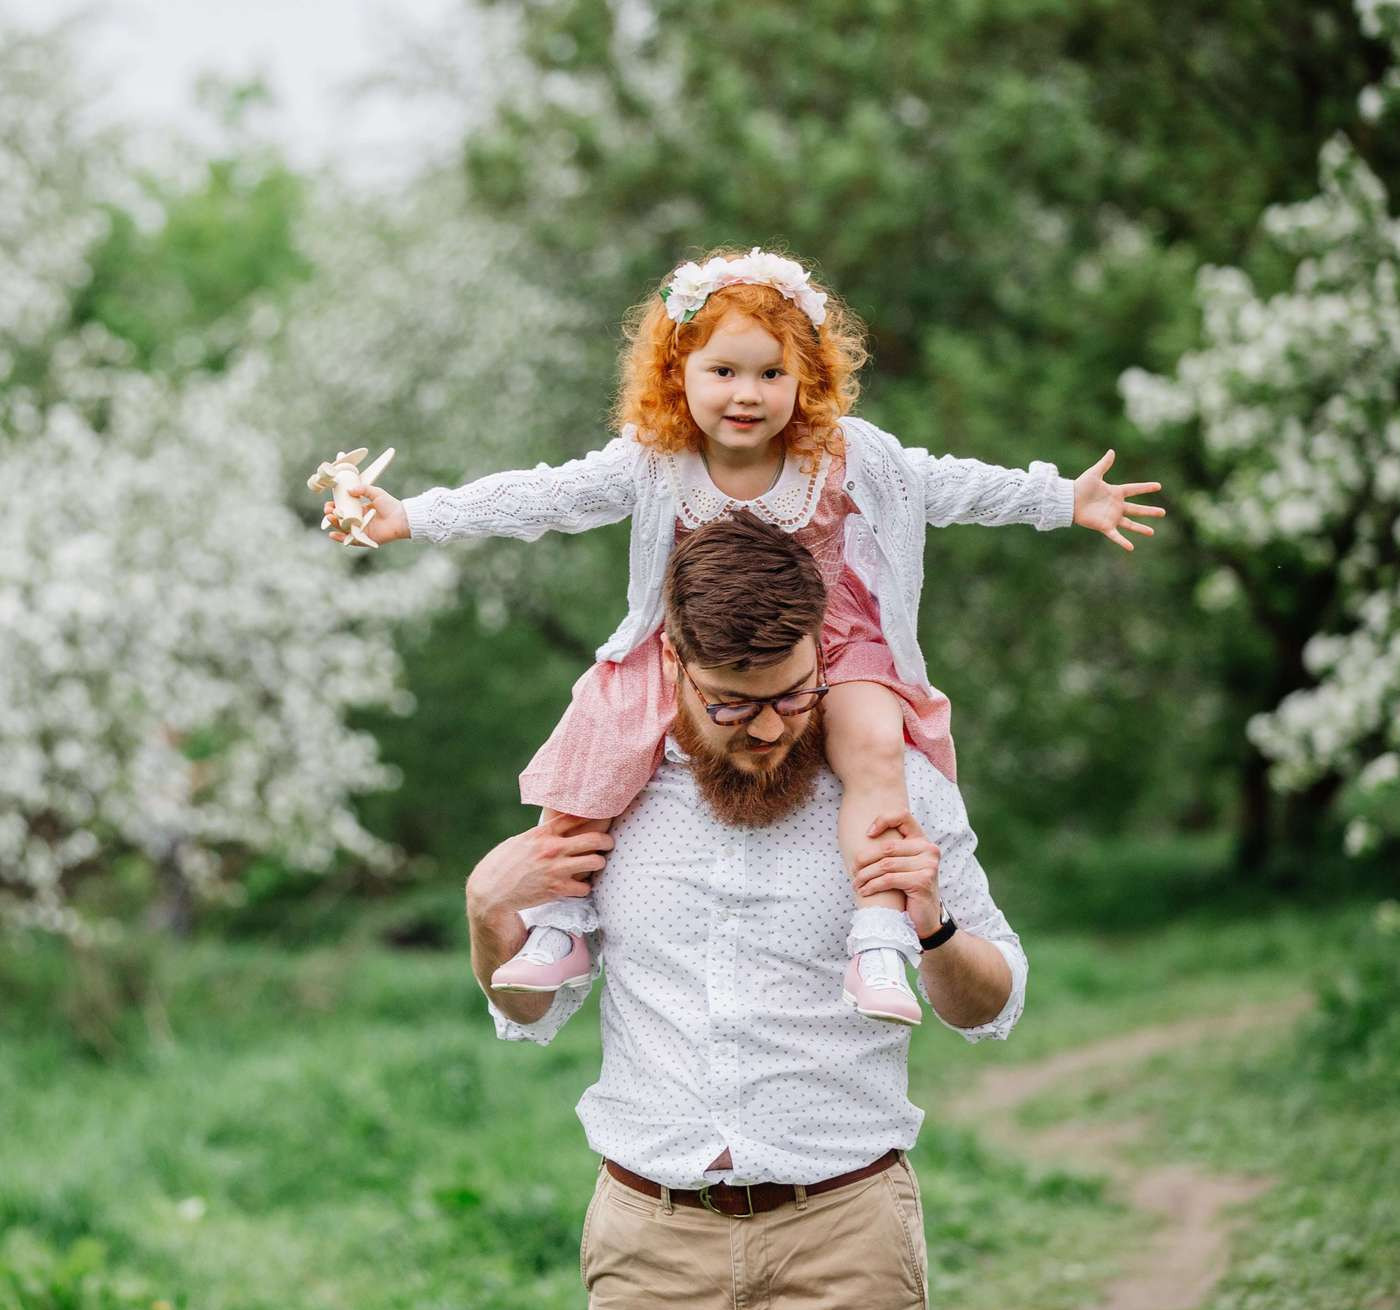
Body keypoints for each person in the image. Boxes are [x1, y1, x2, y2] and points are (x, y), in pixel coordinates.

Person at [325, 246, 1161, 1024]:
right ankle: (562, 920)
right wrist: (415, 515)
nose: (746, 394)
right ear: (676, 374)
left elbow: (939, 483)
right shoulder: (656, 461)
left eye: (771, 373)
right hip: (694, 642)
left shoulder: (838, 456)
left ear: (808, 379)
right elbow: (546, 498)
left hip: (830, 641)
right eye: (722, 370)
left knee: (872, 741)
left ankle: (877, 933)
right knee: (599, 723)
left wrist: (1058, 500)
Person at [465, 511, 1026, 1310]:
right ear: (672, 663)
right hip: (648, 1251)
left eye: (794, 695)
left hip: (845, 1240)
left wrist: (932, 926)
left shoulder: (894, 788)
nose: (767, 726)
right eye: (731, 703)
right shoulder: (605, 796)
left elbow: (993, 1005)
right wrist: (487, 909)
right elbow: (532, 1007)